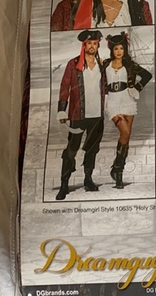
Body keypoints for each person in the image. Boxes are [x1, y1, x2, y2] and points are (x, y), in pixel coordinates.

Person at [55, 30, 106, 201]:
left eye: (95, 43)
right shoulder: (74, 64)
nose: (92, 46)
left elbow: (106, 87)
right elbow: (65, 86)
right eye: (89, 43)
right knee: (71, 150)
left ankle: (88, 180)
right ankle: (64, 184)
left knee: (92, 149)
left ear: (98, 45)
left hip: (97, 115)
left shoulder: (101, 64)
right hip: (78, 115)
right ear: (84, 45)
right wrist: (62, 109)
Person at [102, 32, 153, 189]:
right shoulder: (105, 64)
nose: (119, 51)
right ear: (112, 50)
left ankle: (118, 172)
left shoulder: (130, 65)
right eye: (116, 48)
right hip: (112, 102)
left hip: (127, 100)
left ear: (125, 49)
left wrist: (136, 87)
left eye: (121, 48)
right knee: (124, 132)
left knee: (127, 136)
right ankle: (117, 167)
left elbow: (147, 75)